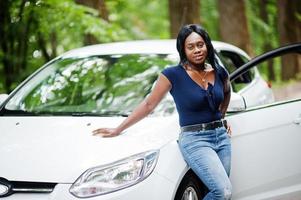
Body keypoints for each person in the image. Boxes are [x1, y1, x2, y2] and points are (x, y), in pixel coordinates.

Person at [93, 24, 232, 199]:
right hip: (196, 140)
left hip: (221, 138)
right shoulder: (172, 74)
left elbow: (226, 93)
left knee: (213, 190)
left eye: (200, 44)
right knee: (223, 191)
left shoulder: (219, 72)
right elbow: (148, 105)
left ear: (207, 45)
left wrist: (221, 118)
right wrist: (118, 129)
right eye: (190, 47)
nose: (197, 50)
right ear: (183, 49)